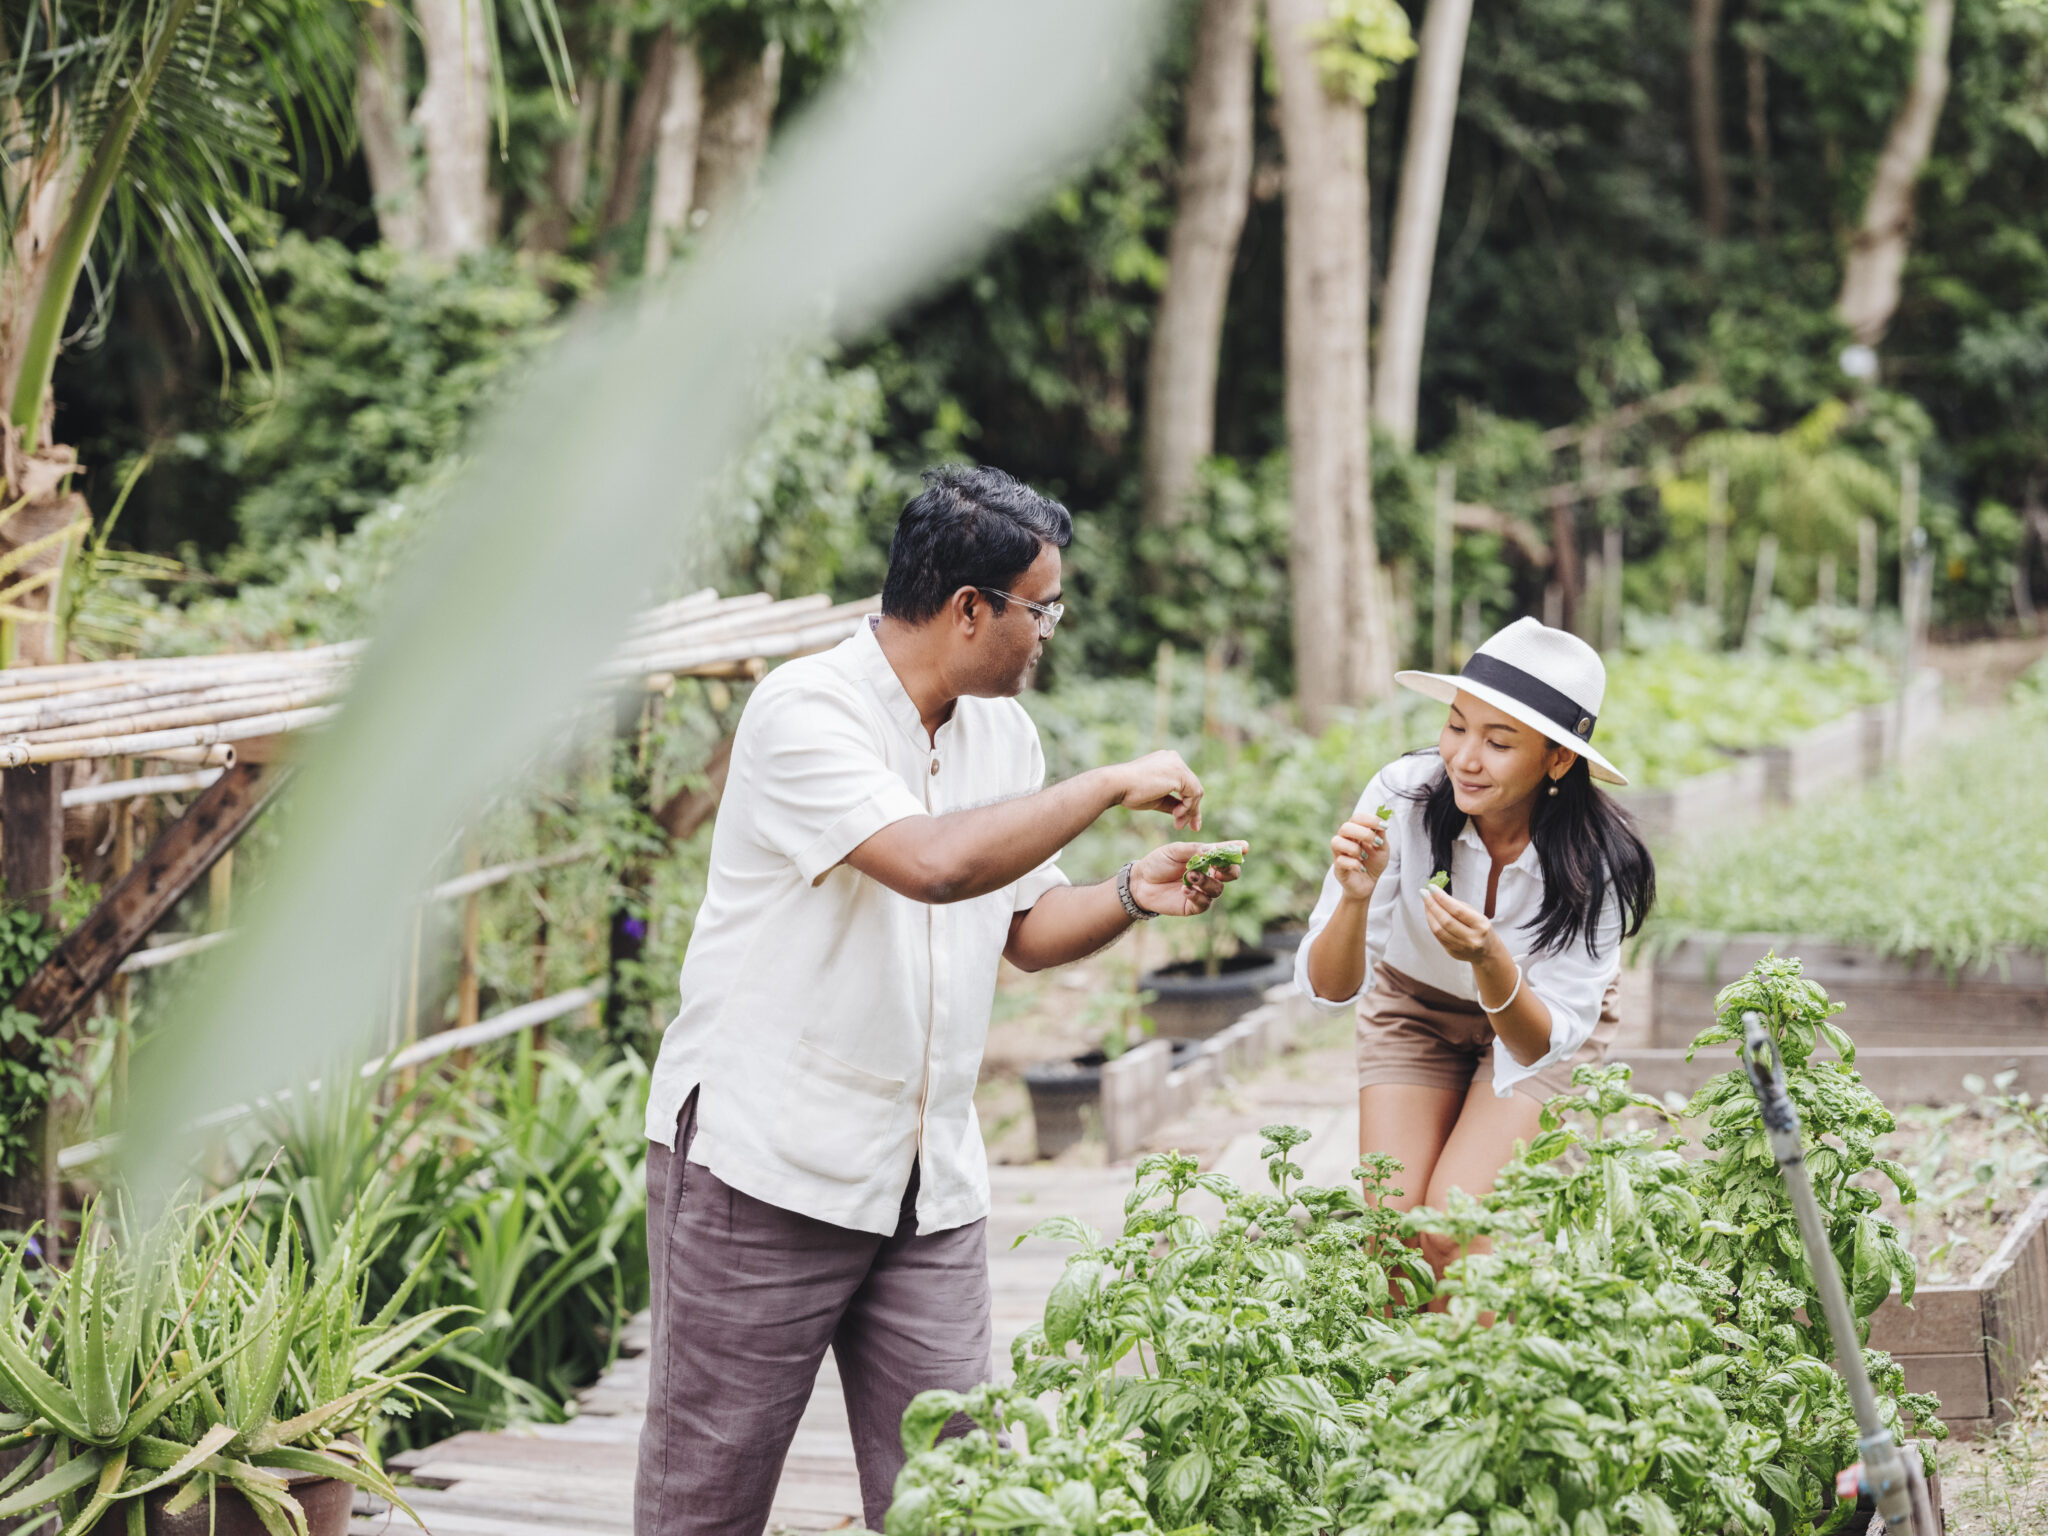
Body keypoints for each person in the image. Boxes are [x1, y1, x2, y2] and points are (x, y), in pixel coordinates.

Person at [634, 465, 1238, 1536]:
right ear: (971, 609)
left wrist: (1130, 894)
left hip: (925, 1184)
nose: (1049, 629)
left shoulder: (1002, 737)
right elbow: (932, 865)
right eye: (1040, 607)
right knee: (706, 1500)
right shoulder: (802, 710)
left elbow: (1019, 929)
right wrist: (1102, 786)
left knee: (959, 1499)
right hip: (762, 1163)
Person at [1297, 617, 1654, 1277]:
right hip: (1412, 1008)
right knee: (1396, 1238)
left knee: (1461, 1233)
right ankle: (1409, 1380)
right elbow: (1328, 989)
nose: (1464, 757)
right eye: (1457, 726)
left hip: (1536, 1025)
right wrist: (1353, 896)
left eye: (1498, 741)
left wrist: (1491, 960)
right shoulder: (1403, 800)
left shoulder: (1597, 864)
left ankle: (1477, 1375)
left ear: (1558, 758)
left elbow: (1537, 1044)